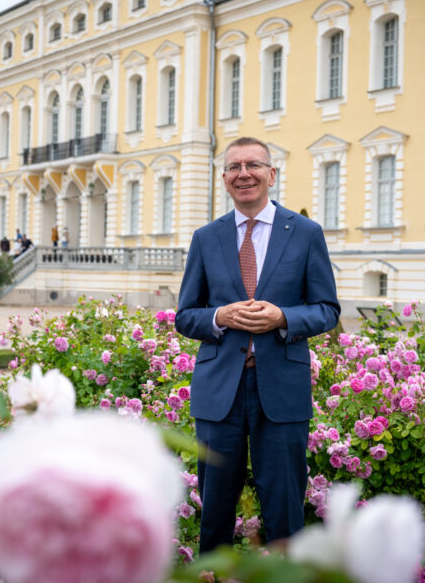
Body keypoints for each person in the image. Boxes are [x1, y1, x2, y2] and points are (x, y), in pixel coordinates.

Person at [175, 136, 340, 553]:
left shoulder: (304, 233)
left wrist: (284, 317)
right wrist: (219, 316)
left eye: (253, 165)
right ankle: (212, 575)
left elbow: (327, 309)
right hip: (219, 391)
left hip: (281, 388)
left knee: (284, 504)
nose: (243, 173)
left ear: (271, 173)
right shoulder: (206, 238)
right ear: (225, 178)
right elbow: (185, 315)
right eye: (234, 167)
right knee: (214, 507)